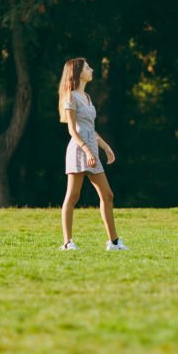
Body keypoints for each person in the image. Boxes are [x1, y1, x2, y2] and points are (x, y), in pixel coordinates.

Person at [57, 57, 128, 251]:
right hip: (78, 150)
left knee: (107, 195)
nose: (92, 69)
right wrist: (87, 150)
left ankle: (113, 242)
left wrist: (105, 147)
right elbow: (73, 129)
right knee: (73, 195)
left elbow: (91, 129)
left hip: (92, 151)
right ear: (78, 72)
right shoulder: (70, 97)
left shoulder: (87, 97)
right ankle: (67, 243)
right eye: (88, 67)